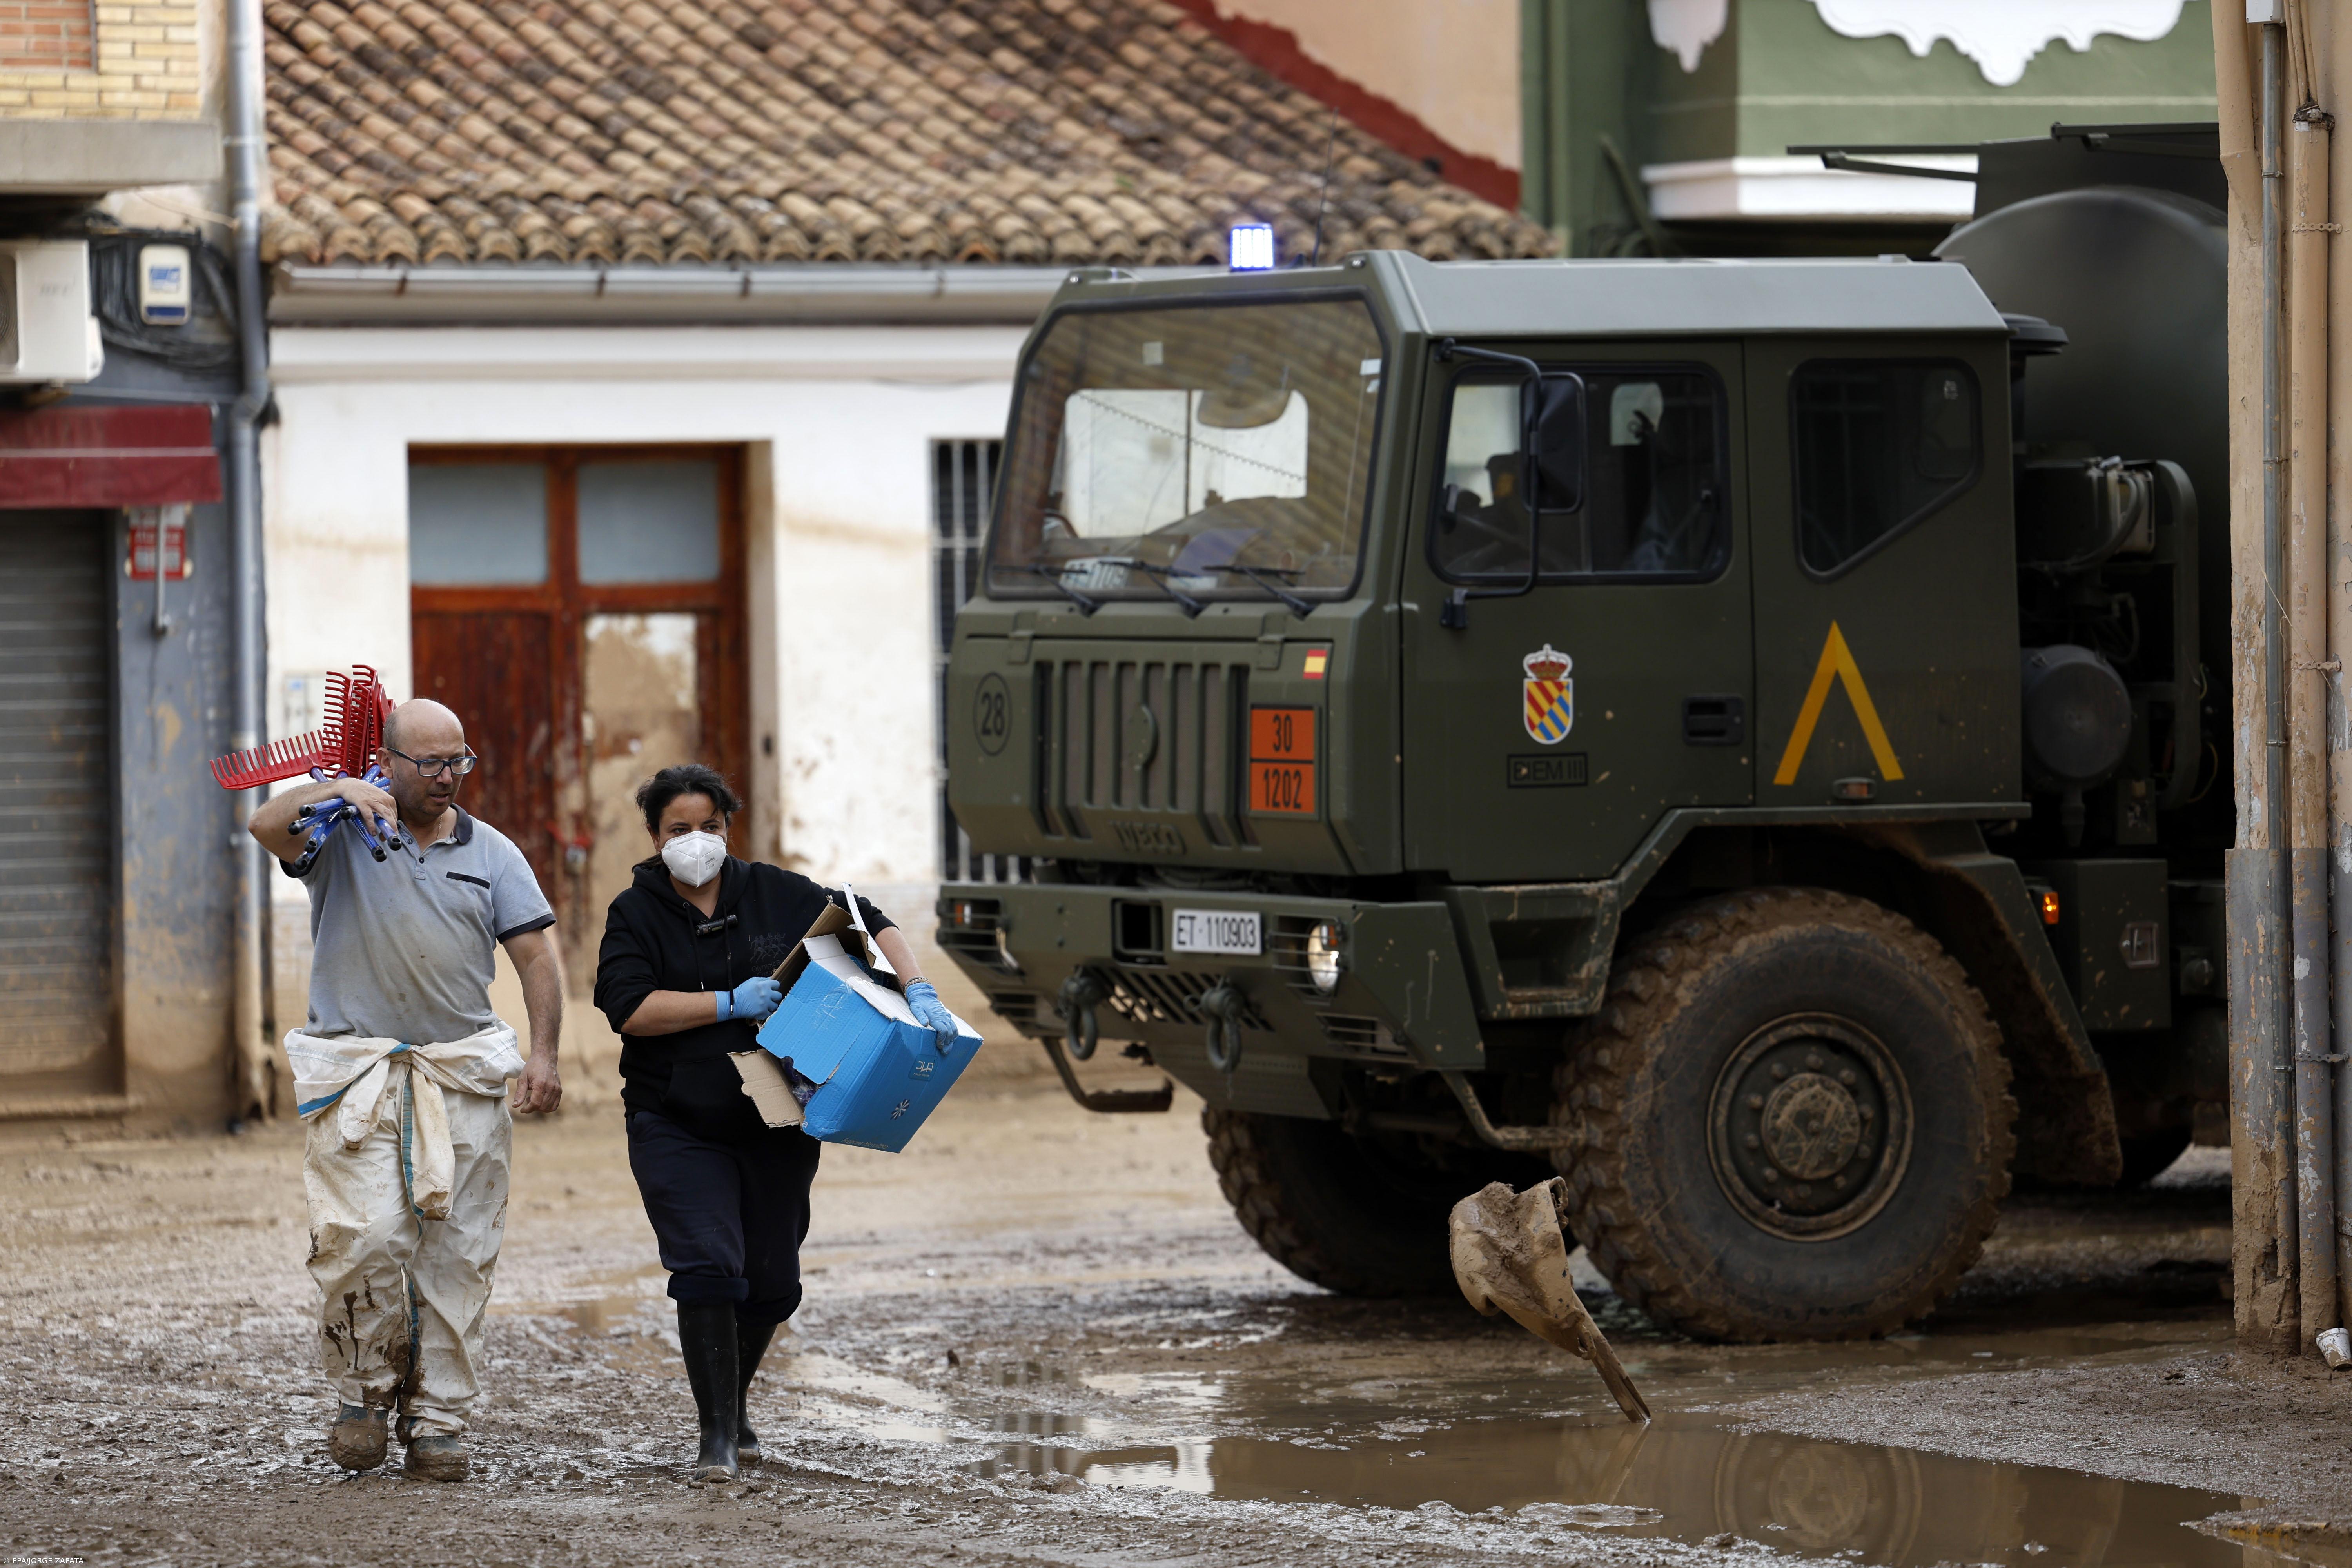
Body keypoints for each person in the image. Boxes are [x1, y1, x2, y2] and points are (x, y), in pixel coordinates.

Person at [593, 763, 957, 1483]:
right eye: (678, 829)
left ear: (729, 830)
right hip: (675, 1116)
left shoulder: (775, 893)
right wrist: (728, 1003)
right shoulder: (635, 914)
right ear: (653, 836)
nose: (695, 841)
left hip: (776, 1116)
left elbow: (869, 919)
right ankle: (717, 1439)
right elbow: (628, 1007)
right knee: (707, 1265)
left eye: (709, 827)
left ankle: (735, 1401)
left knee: (771, 1282)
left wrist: (917, 986)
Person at [248, 697, 563, 1483]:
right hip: (356, 1072)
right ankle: (364, 1391)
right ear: (386, 761)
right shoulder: (339, 838)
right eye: (431, 761)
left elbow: (536, 960)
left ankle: (439, 1416)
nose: (449, 776)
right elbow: (264, 824)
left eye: (460, 759)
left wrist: (546, 1055)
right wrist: (337, 794)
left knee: (459, 1249)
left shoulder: (493, 852)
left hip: (463, 1070)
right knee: (364, 1235)